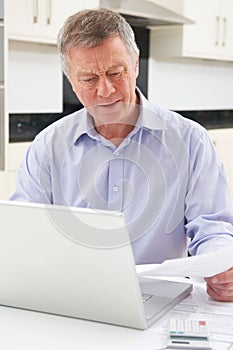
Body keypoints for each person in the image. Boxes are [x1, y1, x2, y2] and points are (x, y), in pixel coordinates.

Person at [10, 8, 233, 301]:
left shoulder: (191, 141)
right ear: (71, 80)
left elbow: (213, 227)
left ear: (135, 64)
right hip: (75, 300)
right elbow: (25, 235)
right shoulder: (47, 147)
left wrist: (221, 266)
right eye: (89, 79)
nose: (106, 90)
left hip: (164, 300)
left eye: (116, 73)